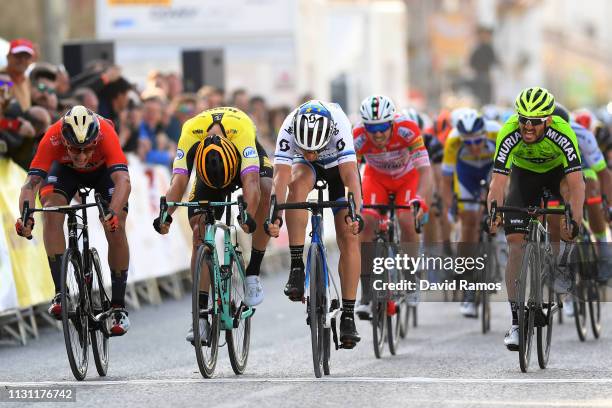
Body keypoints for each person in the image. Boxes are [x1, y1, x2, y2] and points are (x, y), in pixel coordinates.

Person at [153, 107, 273, 343]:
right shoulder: (190, 132)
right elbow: (178, 182)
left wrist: (247, 216)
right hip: (208, 172)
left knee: (266, 187)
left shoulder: (241, 130)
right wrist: (165, 215)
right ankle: (198, 317)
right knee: (199, 232)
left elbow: (251, 183)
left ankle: (253, 273)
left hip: (241, 165)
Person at [15, 105, 132, 336]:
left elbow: (123, 182)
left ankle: (118, 307)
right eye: (74, 149)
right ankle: (61, 292)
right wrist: (26, 216)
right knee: (51, 210)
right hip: (64, 173)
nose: (80, 156)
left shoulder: (106, 134)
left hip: (102, 175)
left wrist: (113, 213)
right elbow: (30, 185)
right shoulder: (53, 136)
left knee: (116, 227)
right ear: (64, 140)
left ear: (95, 139)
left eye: (87, 149)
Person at [487, 87, 584, 350]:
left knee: (567, 212)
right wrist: (493, 212)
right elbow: (498, 182)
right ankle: (517, 322)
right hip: (524, 176)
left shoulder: (562, 132)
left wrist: (574, 217)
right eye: (524, 120)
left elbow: (576, 183)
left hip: (557, 174)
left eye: (535, 121)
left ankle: (563, 261)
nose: (528, 127)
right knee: (515, 245)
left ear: (548, 121)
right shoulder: (508, 132)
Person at [266, 100, 363, 348]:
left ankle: (349, 315)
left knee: (349, 236)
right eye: (305, 148)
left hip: (336, 169)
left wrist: (356, 213)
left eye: (314, 149)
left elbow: (351, 176)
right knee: (296, 186)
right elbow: (280, 176)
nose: (310, 152)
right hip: (306, 170)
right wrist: (274, 213)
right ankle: (297, 265)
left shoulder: (339, 124)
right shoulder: (289, 126)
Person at [352, 97, 433, 319]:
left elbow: (425, 171)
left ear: (392, 124)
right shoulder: (357, 137)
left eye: (382, 128)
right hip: (375, 179)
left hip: (407, 178)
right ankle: (367, 294)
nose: (377, 134)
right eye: (372, 129)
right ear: (364, 127)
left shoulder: (407, 129)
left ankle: (409, 277)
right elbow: (350, 175)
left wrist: (421, 200)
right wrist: (352, 204)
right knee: (366, 224)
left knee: (406, 220)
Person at [441, 108, 500, 317]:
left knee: (497, 212)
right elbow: (446, 181)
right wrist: (451, 205)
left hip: (492, 170)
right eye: (469, 142)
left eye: (477, 141)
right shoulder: (453, 141)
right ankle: (468, 285)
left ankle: (497, 252)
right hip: (467, 175)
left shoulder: (496, 132)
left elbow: (510, 174)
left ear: (484, 134)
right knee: (469, 223)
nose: (473, 146)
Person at [1, 38, 35, 111]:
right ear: (8, 56)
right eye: (18, 56)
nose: (22, 60)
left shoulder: (26, 80)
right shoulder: (2, 78)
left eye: (26, 57)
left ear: (31, 60)